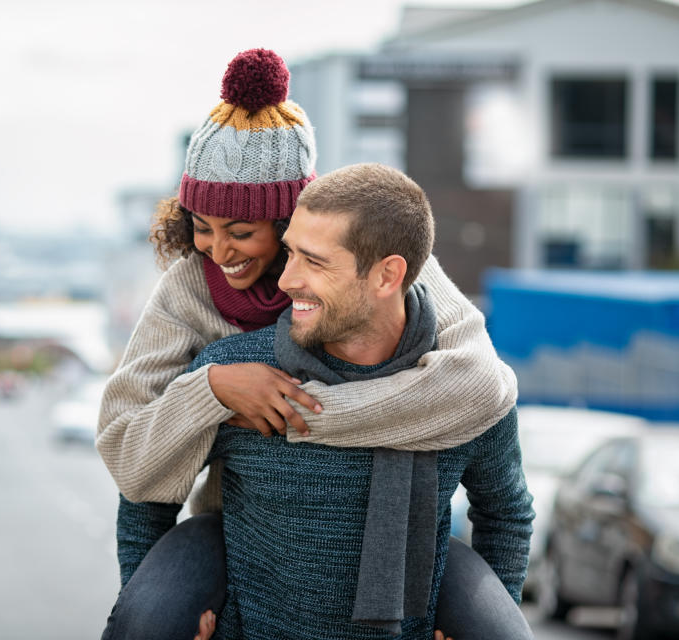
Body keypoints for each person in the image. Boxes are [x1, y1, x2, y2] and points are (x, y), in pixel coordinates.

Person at [97, 49, 523, 639]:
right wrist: (212, 391)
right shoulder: (190, 287)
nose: (218, 252)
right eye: (201, 227)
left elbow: (482, 386)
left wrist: (312, 414)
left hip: (405, 538)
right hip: (236, 522)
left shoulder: (394, 270)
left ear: (292, 218)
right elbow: (134, 468)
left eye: (241, 232)